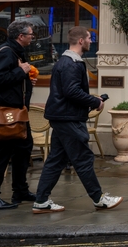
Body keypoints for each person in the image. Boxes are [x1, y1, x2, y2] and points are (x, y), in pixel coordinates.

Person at [32, 27, 122, 213]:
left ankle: (41, 200)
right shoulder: (72, 63)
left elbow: (68, 91)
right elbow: (71, 91)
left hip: (62, 117)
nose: (91, 41)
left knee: (56, 159)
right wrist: (94, 101)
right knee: (83, 158)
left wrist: (92, 100)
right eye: (89, 38)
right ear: (81, 41)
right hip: (69, 119)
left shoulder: (65, 62)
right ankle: (98, 199)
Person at [0, 20, 38, 210]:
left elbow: (9, 78)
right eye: (30, 35)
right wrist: (21, 71)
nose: (32, 38)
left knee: (24, 147)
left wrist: (25, 81)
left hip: (16, 112)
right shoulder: (6, 52)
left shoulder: (15, 51)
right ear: (21, 36)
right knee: (2, 153)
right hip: (6, 113)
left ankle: (20, 190)